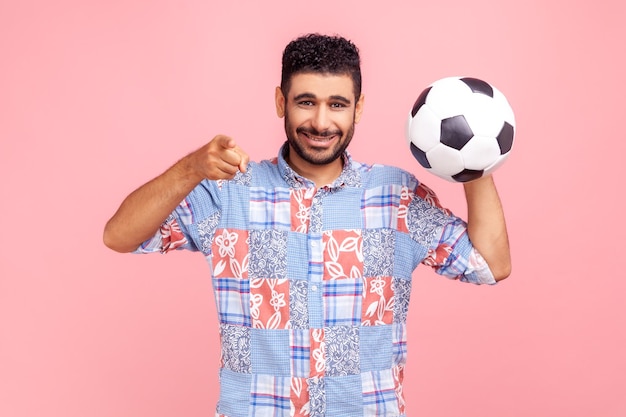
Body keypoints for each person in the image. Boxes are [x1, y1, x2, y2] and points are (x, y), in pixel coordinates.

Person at [103, 33, 511, 417]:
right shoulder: (228, 192)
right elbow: (119, 236)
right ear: (281, 102)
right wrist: (190, 168)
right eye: (305, 102)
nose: (320, 122)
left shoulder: (397, 196)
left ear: (359, 107)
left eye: (337, 104)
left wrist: (476, 158)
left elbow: (491, 265)